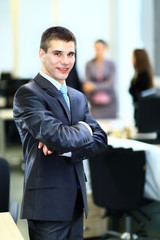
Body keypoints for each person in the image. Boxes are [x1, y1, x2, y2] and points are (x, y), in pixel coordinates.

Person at [13, 26, 107, 240]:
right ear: (42, 54)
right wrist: (84, 129)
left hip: (75, 202)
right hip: (47, 205)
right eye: (57, 54)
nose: (66, 61)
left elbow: (101, 139)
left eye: (70, 54)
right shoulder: (28, 94)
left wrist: (66, 148)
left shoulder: (77, 97)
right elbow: (55, 136)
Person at [83, 39, 117, 119]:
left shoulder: (111, 64)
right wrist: (104, 83)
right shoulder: (89, 64)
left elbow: (110, 84)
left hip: (110, 103)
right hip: (95, 104)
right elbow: (87, 85)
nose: (98, 51)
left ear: (105, 49)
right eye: (96, 48)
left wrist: (94, 86)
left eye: (100, 48)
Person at [129, 48, 154, 120]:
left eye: (133, 57)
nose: (131, 59)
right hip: (138, 107)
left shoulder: (143, 75)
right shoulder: (138, 73)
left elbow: (136, 91)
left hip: (142, 109)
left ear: (138, 58)